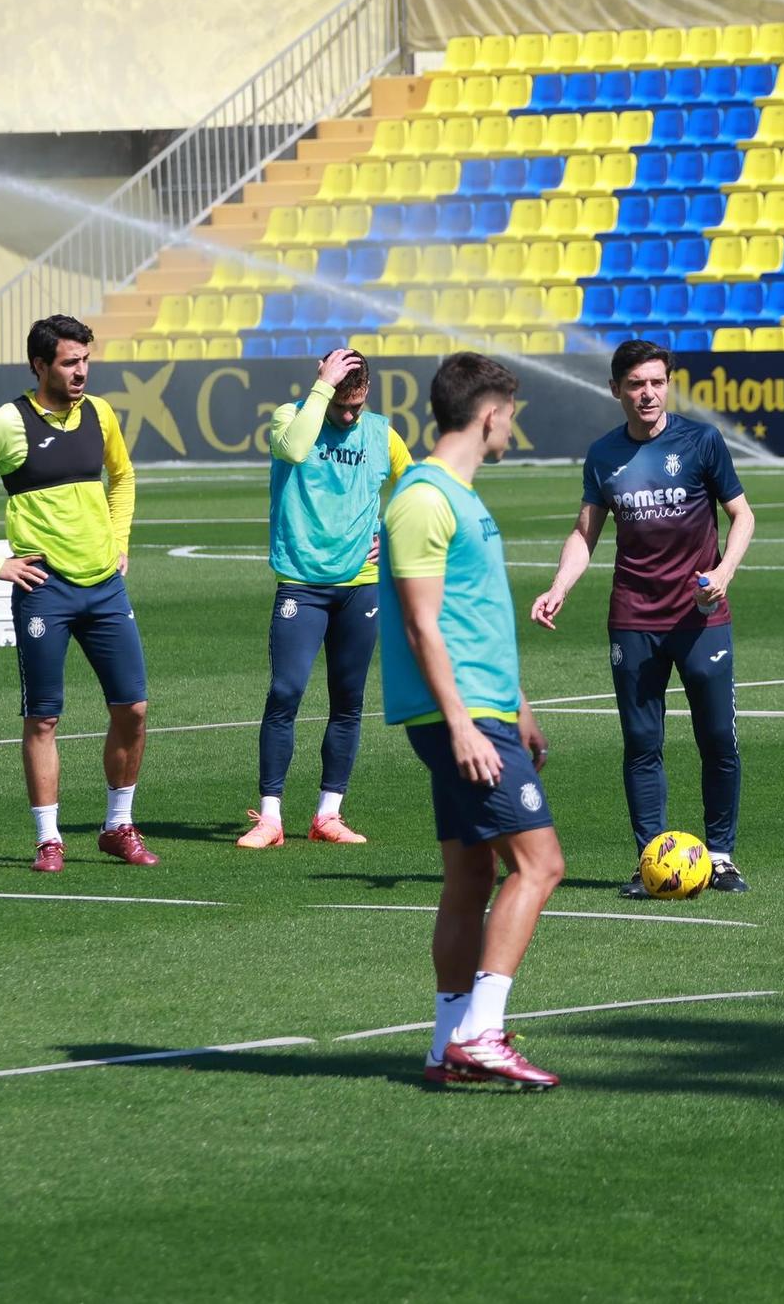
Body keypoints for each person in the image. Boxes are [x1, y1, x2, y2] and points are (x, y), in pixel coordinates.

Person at [377, 352, 565, 1089]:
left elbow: (472, 619)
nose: (512, 428)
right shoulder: (424, 498)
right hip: (460, 719)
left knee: (470, 871)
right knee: (541, 864)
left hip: (485, 711)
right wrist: (461, 724)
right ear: (490, 414)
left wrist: (518, 706)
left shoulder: (457, 495)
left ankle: (444, 1043)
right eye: (510, 414)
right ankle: (483, 1031)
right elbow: (423, 625)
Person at [529, 339, 757, 898]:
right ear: (616, 390)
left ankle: (721, 856)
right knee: (640, 742)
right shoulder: (603, 455)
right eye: (636, 384)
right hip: (633, 617)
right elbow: (586, 534)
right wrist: (560, 585)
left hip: (701, 616)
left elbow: (742, 515)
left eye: (657, 382)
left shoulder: (702, 441)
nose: (648, 393)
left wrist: (724, 572)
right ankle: (651, 859)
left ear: (668, 385)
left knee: (718, 740)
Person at [0, 315, 154, 874]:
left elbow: (122, 477)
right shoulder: (7, 423)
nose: (81, 371)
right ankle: (49, 839)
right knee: (44, 719)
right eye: (68, 362)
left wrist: (119, 537)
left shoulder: (101, 414)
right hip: (45, 591)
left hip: (104, 587)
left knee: (133, 708)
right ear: (40, 365)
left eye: (85, 360)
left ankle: (117, 825)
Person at [235, 349, 413, 849]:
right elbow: (291, 451)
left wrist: (393, 533)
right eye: (342, 404)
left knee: (348, 701)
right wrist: (322, 391)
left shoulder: (381, 433)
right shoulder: (292, 418)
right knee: (286, 692)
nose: (350, 415)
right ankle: (270, 817)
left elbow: (418, 488)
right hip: (301, 583)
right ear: (325, 388)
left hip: (361, 584)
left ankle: (327, 814)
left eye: (358, 405)